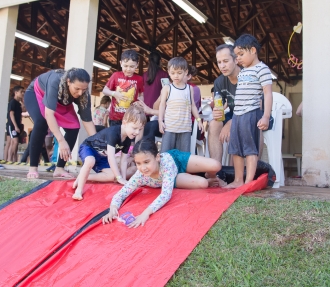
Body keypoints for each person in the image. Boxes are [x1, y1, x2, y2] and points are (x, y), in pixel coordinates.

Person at [101, 139, 222, 228]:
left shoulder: (166, 164)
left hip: (176, 161)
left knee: (215, 165)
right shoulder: (140, 175)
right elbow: (122, 193)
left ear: (157, 157)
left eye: (146, 162)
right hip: (172, 178)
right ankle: (204, 179)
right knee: (203, 184)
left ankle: (207, 174)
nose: (143, 167)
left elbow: (165, 195)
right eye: (138, 163)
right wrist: (113, 209)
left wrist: (145, 213)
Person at [24, 68, 96, 179]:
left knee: (74, 127)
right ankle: (33, 167)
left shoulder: (83, 94)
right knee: (41, 122)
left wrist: (98, 145)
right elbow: (49, 115)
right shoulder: (55, 82)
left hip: (62, 101)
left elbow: (87, 121)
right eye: (77, 88)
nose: (80, 93)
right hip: (36, 93)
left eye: (84, 89)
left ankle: (59, 168)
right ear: (68, 81)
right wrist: (61, 141)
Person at [225, 34, 272, 189]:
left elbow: (267, 93)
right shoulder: (243, 71)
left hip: (251, 113)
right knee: (236, 148)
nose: (238, 58)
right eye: (236, 55)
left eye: (241, 54)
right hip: (237, 114)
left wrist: (265, 116)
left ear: (253, 50)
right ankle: (238, 180)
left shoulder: (262, 69)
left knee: (249, 147)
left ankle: (248, 181)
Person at [72, 105, 146, 200]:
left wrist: (122, 179)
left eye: (139, 129)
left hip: (101, 156)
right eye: (135, 128)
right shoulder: (114, 133)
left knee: (112, 176)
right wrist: (119, 178)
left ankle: (83, 176)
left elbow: (124, 160)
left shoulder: (127, 138)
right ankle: (79, 191)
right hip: (88, 147)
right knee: (90, 161)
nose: (137, 132)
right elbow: (111, 158)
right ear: (125, 122)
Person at [158, 57, 203, 153]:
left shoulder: (189, 88)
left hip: (185, 128)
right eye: (173, 73)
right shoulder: (167, 88)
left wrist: (199, 120)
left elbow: (193, 106)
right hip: (169, 128)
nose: (176, 76)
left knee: (183, 157)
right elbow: (162, 105)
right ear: (169, 72)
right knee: (166, 156)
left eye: (179, 73)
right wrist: (160, 121)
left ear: (186, 72)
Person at [208, 44, 241, 164]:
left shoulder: (247, 77)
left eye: (226, 61)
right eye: (219, 62)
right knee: (214, 124)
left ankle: (236, 173)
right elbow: (219, 105)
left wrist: (231, 123)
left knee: (239, 125)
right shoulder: (219, 81)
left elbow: (254, 109)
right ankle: (216, 169)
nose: (222, 66)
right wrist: (217, 111)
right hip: (233, 114)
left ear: (236, 59)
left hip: (253, 115)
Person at [102, 49, 144, 126]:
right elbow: (105, 90)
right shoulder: (115, 75)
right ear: (121, 63)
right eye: (125, 66)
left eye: (132, 66)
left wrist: (140, 103)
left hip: (130, 117)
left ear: (137, 65)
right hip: (115, 117)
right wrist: (114, 93)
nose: (128, 69)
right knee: (115, 137)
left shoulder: (139, 79)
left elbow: (141, 94)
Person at [6, 86, 25, 162]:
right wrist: (16, 126)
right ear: (16, 92)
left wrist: (23, 103)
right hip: (12, 125)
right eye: (21, 92)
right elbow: (11, 114)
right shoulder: (12, 102)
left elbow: (24, 110)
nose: (22, 93)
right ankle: (9, 159)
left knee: (16, 144)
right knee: (14, 141)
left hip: (17, 125)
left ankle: (14, 159)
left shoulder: (18, 103)